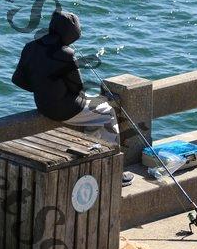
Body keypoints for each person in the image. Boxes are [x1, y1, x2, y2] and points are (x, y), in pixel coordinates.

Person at [12, 10, 134, 186]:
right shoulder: (66, 54)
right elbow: (78, 88)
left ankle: (93, 158)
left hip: (43, 105)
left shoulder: (30, 47)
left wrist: (42, 88)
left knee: (95, 108)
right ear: (71, 33)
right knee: (108, 112)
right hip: (66, 109)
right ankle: (112, 173)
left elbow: (17, 79)